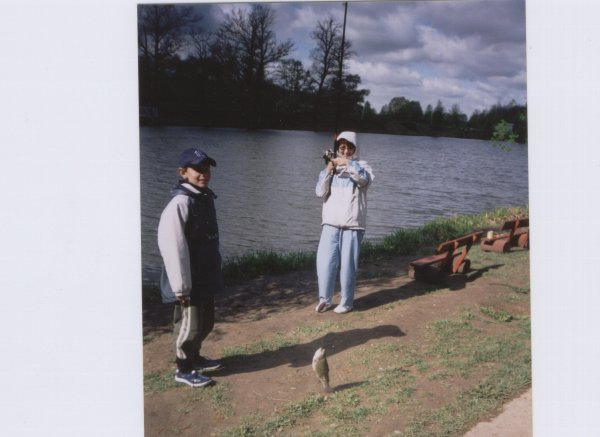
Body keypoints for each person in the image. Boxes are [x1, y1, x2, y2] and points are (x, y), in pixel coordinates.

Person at [157, 147, 224, 387]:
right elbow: (172, 245)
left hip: (205, 276)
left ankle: (195, 357)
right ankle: (183, 369)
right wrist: (180, 285)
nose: (203, 174)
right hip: (188, 280)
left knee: (206, 322)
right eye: (197, 169)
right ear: (183, 172)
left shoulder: (203, 198)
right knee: (190, 325)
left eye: (207, 169)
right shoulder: (180, 203)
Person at [315, 131, 374, 314]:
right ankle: (325, 300)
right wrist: (329, 169)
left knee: (348, 265)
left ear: (355, 149)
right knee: (324, 263)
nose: (345, 151)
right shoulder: (330, 169)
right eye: (342, 148)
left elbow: (364, 181)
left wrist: (347, 163)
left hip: (352, 225)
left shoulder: (363, 166)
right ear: (338, 149)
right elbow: (319, 192)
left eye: (350, 148)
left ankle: (347, 302)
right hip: (330, 223)